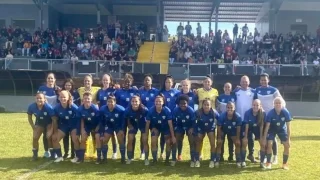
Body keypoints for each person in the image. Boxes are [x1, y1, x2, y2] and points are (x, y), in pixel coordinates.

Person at [256, 73, 282, 164]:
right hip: (261, 117)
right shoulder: (257, 90)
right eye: (262, 80)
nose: (263, 81)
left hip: (272, 118)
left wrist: (279, 113)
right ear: (260, 81)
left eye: (265, 80)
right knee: (262, 137)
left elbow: (281, 102)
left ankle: (275, 156)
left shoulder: (274, 90)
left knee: (272, 137)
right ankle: (264, 154)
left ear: (268, 80)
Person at [114, 73, 140, 159]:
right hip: (121, 117)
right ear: (123, 82)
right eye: (125, 82)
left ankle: (131, 155)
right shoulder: (118, 92)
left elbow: (138, 102)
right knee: (122, 135)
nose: (127, 83)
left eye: (129, 82)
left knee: (132, 135)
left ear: (131, 82)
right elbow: (114, 103)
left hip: (132, 117)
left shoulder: (135, 91)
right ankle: (123, 154)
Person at [145, 94, 176, 165]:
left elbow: (170, 124)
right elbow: (147, 124)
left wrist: (173, 136)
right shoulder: (151, 110)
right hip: (156, 128)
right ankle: (155, 159)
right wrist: (146, 135)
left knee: (168, 142)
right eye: (156, 101)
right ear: (154, 102)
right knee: (153, 141)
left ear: (163, 102)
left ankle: (167, 160)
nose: (158, 103)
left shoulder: (167, 110)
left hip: (166, 128)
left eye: (160, 101)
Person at [263, 97, 291, 170]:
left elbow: (288, 127)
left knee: (287, 145)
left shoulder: (285, 112)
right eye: (276, 103)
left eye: (279, 103)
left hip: (282, 129)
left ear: (282, 104)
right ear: (273, 104)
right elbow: (267, 127)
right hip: (272, 129)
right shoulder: (270, 113)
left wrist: (289, 139)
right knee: (269, 144)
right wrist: (265, 138)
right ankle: (268, 163)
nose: (278, 104)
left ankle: (284, 164)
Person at [52, 90, 79, 163]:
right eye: (61, 97)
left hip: (73, 125)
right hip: (63, 125)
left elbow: (80, 115)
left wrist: (79, 129)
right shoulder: (56, 108)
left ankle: (78, 157)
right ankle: (60, 156)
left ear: (68, 98)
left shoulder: (73, 106)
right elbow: (54, 120)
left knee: (75, 139)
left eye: (64, 97)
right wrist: (55, 132)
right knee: (54, 139)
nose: (62, 98)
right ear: (58, 98)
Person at [38, 73, 61, 158]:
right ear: (46, 79)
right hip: (45, 115)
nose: (50, 80)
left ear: (55, 80)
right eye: (49, 78)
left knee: (54, 133)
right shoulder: (42, 88)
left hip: (55, 115)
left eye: (52, 78)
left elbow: (60, 102)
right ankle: (46, 151)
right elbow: (38, 100)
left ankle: (54, 151)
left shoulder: (58, 89)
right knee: (46, 134)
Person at [234, 75, 256, 163]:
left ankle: (251, 154)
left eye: (246, 81)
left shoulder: (253, 91)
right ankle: (238, 156)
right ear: (240, 82)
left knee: (251, 138)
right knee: (238, 139)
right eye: (243, 81)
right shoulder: (236, 92)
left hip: (250, 120)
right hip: (239, 120)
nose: (244, 83)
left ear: (249, 82)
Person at [173, 79, 197, 161]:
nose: (185, 86)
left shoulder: (194, 94)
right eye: (183, 85)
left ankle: (194, 157)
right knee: (179, 138)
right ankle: (179, 155)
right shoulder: (177, 95)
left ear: (189, 86)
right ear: (181, 86)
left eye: (187, 85)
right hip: (180, 119)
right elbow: (176, 107)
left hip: (190, 120)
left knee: (192, 139)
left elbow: (197, 104)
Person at [27, 93, 56, 161]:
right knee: (35, 137)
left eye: (40, 98)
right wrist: (33, 127)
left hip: (49, 123)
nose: (39, 100)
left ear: (44, 99)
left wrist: (51, 130)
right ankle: (35, 155)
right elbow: (29, 118)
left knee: (48, 137)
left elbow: (54, 119)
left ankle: (52, 154)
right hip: (39, 123)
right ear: (35, 99)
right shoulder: (31, 106)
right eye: (37, 98)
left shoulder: (48, 107)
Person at [196, 76, 219, 160]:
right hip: (201, 115)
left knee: (212, 138)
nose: (207, 83)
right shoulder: (199, 91)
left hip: (211, 116)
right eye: (205, 82)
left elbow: (216, 102)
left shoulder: (215, 91)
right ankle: (199, 154)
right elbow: (195, 100)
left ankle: (213, 157)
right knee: (199, 138)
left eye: (208, 82)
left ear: (211, 83)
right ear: (203, 83)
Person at [96, 74, 118, 160]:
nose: (105, 81)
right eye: (104, 80)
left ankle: (114, 152)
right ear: (102, 81)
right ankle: (102, 153)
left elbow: (115, 102)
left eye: (107, 80)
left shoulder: (113, 90)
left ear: (110, 81)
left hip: (112, 115)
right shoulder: (99, 91)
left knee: (113, 134)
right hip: (103, 116)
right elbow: (98, 104)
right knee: (103, 134)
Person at [99, 95, 126, 164]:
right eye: (108, 102)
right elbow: (101, 122)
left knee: (120, 139)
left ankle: (123, 158)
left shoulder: (121, 110)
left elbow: (124, 121)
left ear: (115, 102)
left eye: (111, 102)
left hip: (118, 126)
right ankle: (104, 158)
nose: (110, 103)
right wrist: (102, 133)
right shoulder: (102, 109)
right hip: (109, 125)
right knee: (104, 139)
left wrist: (122, 130)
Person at [216, 102, 244, 168]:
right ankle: (217, 160)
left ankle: (238, 161)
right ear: (226, 108)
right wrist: (219, 138)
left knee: (237, 144)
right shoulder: (222, 116)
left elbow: (238, 128)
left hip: (233, 131)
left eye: (231, 107)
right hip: (223, 130)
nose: (230, 109)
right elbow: (219, 127)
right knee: (219, 143)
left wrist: (237, 139)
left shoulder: (238, 117)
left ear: (234, 108)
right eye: (228, 107)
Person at [194, 99, 220, 168]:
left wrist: (219, 132)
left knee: (212, 143)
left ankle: (212, 160)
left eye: (208, 105)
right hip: (201, 128)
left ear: (211, 106)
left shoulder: (214, 112)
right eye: (205, 105)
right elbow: (193, 122)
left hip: (210, 128)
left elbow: (220, 121)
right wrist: (195, 131)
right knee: (198, 142)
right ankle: (197, 160)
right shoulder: (198, 112)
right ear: (202, 105)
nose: (206, 106)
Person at [171, 95, 196, 167]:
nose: (183, 105)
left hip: (189, 126)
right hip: (180, 126)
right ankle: (174, 158)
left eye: (184, 103)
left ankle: (192, 159)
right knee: (176, 140)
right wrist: (175, 128)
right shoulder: (176, 110)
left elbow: (194, 121)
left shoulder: (191, 110)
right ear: (178, 104)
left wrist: (192, 128)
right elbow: (173, 121)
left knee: (192, 140)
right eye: (181, 104)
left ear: (187, 103)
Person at [125, 96, 149, 165]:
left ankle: (146, 158)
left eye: (136, 101)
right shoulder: (128, 110)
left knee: (144, 140)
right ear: (130, 102)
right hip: (134, 125)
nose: (134, 103)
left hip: (142, 124)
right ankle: (129, 157)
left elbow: (148, 120)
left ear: (139, 102)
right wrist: (129, 125)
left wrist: (146, 130)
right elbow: (127, 118)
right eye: (133, 101)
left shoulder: (145, 109)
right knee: (130, 139)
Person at [159, 75, 179, 160]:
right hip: (163, 116)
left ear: (173, 83)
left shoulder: (177, 92)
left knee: (173, 135)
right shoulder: (161, 92)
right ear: (164, 83)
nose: (168, 83)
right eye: (167, 82)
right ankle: (162, 152)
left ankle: (174, 154)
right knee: (163, 135)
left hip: (174, 117)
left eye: (170, 82)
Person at [77, 92, 100, 163]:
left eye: (88, 99)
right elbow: (81, 120)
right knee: (83, 138)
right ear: (82, 100)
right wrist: (82, 129)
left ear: (91, 99)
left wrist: (97, 128)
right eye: (85, 99)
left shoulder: (95, 108)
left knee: (96, 137)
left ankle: (97, 155)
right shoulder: (80, 109)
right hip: (86, 126)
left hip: (95, 125)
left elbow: (99, 120)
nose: (87, 100)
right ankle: (81, 157)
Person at [244, 99, 267, 168]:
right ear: (252, 105)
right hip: (250, 129)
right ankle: (250, 155)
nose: (255, 106)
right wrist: (245, 137)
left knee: (263, 144)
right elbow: (247, 125)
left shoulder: (263, 113)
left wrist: (261, 137)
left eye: (257, 105)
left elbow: (261, 126)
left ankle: (262, 161)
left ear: (260, 106)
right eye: (254, 105)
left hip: (258, 129)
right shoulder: (247, 112)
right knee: (249, 139)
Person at [216, 82, 236, 162]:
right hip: (222, 121)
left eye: (229, 87)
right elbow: (217, 109)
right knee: (221, 139)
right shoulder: (220, 97)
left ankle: (231, 156)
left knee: (231, 140)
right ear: (223, 88)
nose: (227, 88)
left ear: (231, 88)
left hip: (231, 121)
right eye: (226, 87)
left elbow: (235, 108)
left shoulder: (234, 97)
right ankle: (221, 156)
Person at [60, 79, 80, 159]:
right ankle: (66, 152)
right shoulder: (61, 93)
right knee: (65, 136)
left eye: (69, 85)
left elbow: (78, 105)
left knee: (73, 136)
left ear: (72, 86)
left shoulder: (75, 93)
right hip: (64, 118)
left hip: (73, 118)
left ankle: (73, 153)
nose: (68, 86)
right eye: (66, 85)